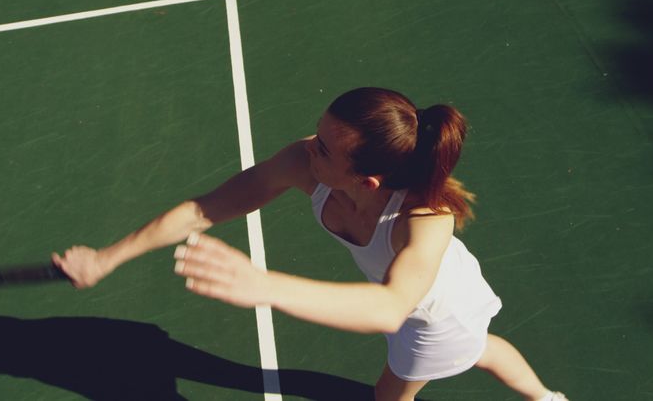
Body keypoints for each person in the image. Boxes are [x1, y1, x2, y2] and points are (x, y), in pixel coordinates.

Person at [54, 87, 567, 401]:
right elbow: (207, 208)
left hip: (431, 317)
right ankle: (545, 399)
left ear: (367, 181)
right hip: (412, 303)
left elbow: (391, 308)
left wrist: (265, 285)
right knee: (481, 348)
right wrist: (106, 257)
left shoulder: (426, 219)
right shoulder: (308, 164)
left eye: (323, 147)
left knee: (392, 394)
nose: (307, 147)